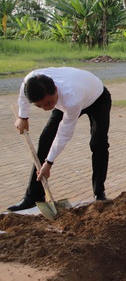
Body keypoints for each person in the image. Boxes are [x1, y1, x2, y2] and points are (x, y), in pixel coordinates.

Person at [8, 67, 112, 211]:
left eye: (49, 104)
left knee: (98, 143)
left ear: (56, 89)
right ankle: (33, 197)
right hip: (67, 98)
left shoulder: (71, 98)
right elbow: (23, 97)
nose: (46, 108)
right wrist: (23, 117)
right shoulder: (30, 82)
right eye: (40, 106)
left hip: (97, 98)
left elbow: (64, 134)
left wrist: (49, 162)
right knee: (45, 140)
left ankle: (99, 193)